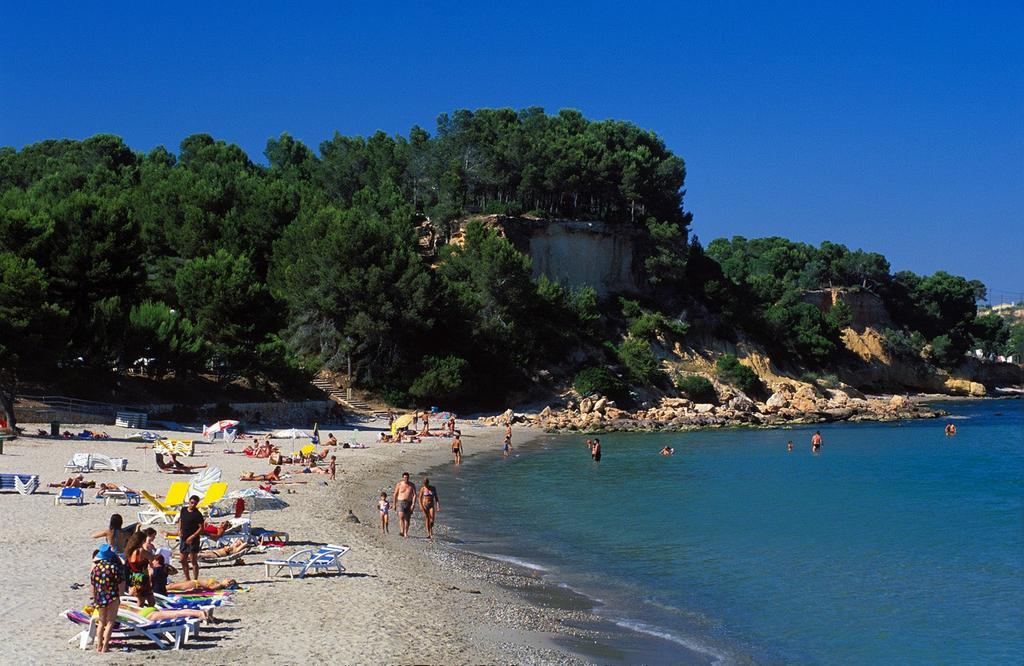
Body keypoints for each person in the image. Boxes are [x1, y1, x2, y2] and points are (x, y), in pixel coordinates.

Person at [90, 544, 125, 653]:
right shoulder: (114, 567)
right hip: (112, 596)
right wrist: (120, 595)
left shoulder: (96, 568)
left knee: (101, 622)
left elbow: (92, 584)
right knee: (110, 622)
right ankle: (105, 646)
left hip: (100, 596)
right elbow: (121, 583)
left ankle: (98, 646)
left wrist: (94, 597)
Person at [177, 495, 205, 581]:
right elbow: (181, 520)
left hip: (193, 539)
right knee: (182, 559)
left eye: (195, 504)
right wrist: (179, 530)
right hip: (184, 538)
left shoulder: (197, 514)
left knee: (193, 560)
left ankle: (195, 580)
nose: (193, 505)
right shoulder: (183, 510)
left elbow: (201, 528)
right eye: (192, 502)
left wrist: (192, 537)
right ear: (189, 501)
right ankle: (187, 578)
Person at [124, 531, 155, 607]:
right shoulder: (140, 551)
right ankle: (138, 616)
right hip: (142, 578)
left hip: (136, 577)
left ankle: (148, 615)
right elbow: (151, 557)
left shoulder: (129, 551)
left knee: (150, 601)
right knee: (141, 602)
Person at [393, 472, 417, 538]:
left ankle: (406, 532)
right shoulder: (399, 484)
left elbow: (415, 495)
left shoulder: (412, 485)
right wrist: (394, 504)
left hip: (409, 502)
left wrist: (413, 504)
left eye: (407, 477)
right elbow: (395, 494)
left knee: (407, 519)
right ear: (403, 478)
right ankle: (402, 531)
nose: (406, 478)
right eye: (405, 477)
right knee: (401, 517)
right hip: (400, 502)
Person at [166, 577, 238, 593]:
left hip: (195, 584)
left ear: (227, 584)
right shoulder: (219, 583)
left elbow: (209, 589)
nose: (227, 579)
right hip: (194, 583)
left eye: (228, 580)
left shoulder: (219, 585)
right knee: (172, 585)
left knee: (171, 586)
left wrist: (195, 590)